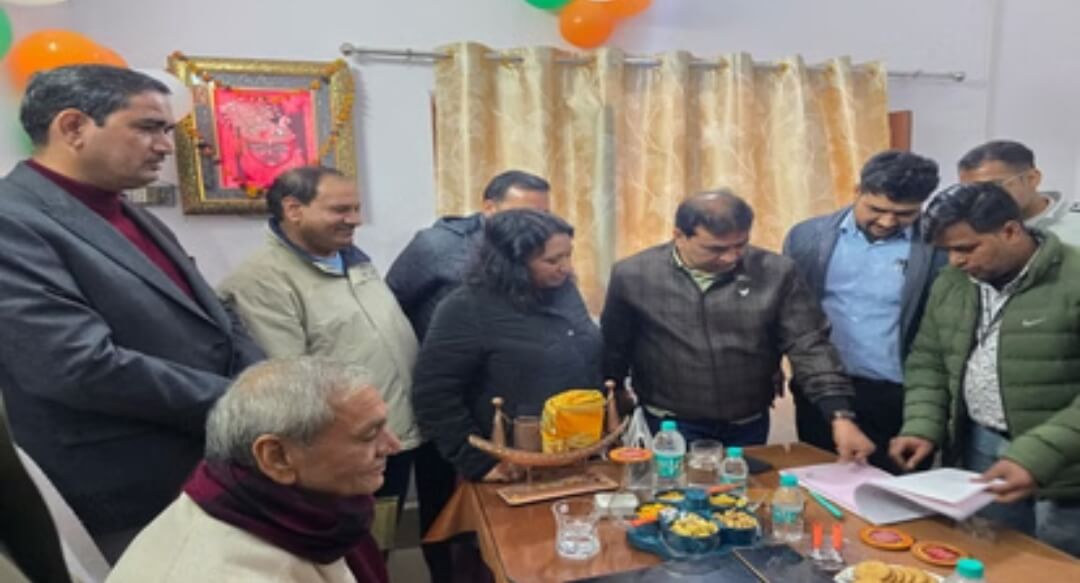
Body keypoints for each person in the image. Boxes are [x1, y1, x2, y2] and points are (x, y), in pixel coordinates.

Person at [0, 65, 264, 562]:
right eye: (148, 127)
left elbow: (212, 316)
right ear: (73, 127)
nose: (165, 146)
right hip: (127, 486)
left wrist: (266, 382)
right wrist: (241, 401)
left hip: (208, 467)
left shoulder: (126, 209)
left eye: (166, 130)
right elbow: (77, 367)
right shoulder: (12, 220)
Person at [217, 166, 420, 543]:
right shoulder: (261, 280)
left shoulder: (353, 260)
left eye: (356, 209)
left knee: (380, 542)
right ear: (294, 209)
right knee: (349, 548)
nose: (355, 220)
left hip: (393, 435)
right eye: (340, 210)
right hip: (344, 450)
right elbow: (291, 381)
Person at [601, 190, 876, 460]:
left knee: (741, 486)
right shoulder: (635, 275)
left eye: (740, 245)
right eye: (716, 249)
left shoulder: (776, 272)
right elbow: (615, 344)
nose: (731, 257)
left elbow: (809, 344)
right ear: (679, 236)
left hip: (747, 422)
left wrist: (839, 415)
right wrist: (614, 394)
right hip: (670, 423)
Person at [890, 182, 1080, 557]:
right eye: (946, 251)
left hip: (1067, 467)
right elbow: (929, 360)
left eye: (965, 248)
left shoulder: (1073, 280)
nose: (955, 261)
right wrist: (922, 425)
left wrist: (1034, 455)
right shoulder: (953, 284)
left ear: (1010, 231)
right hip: (980, 449)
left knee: (1055, 566)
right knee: (995, 559)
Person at [385, 170, 549, 581]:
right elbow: (392, 302)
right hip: (448, 396)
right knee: (446, 511)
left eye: (544, 214)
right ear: (489, 207)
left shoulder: (538, 249)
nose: (535, 224)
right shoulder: (436, 246)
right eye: (524, 212)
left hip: (506, 402)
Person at [107, 357, 396, 582]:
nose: (393, 445)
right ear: (277, 457)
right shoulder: (226, 574)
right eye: (369, 435)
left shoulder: (309, 507)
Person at [413, 209, 602, 482]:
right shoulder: (465, 308)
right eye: (552, 260)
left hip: (580, 453)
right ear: (513, 263)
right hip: (514, 464)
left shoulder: (563, 291)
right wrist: (478, 464)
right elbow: (433, 394)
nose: (566, 267)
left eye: (568, 255)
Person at [784, 150, 943, 472]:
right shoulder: (807, 238)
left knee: (898, 490)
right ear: (858, 190)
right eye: (877, 209)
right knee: (821, 481)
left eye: (904, 214)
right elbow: (787, 311)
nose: (887, 222)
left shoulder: (938, 248)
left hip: (900, 396)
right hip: (823, 389)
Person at [958, 139, 1080, 246]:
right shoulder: (965, 228)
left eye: (993, 187)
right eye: (971, 190)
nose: (982, 197)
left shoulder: (1075, 223)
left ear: (1032, 179)